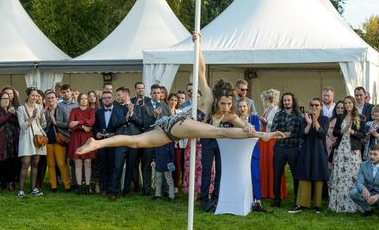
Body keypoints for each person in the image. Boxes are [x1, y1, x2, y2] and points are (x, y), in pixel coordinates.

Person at [76, 35, 284, 205]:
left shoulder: (230, 114)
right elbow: (201, 71)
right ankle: (263, 136)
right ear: (217, 99)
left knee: (136, 141)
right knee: (219, 132)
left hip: (169, 131)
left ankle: (97, 143)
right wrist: (198, 45)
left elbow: (243, 125)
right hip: (183, 123)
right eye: (223, 104)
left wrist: (254, 131)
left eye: (229, 105)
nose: (226, 108)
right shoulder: (210, 98)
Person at [328, 96, 365, 213]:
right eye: (346, 103)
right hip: (340, 150)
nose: (347, 105)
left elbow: (363, 134)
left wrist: (352, 131)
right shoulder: (340, 117)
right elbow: (334, 132)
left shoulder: (361, 117)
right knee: (339, 176)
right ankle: (339, 204)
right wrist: (342, 131)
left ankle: (354, 205)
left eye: (349, 103)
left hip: (353, 151)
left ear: (353, 104)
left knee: (353, 175)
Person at [293, 98, 329, 213]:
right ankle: (301, 203)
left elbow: (322, 134)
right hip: (307, 150)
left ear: (321, 107)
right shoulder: (305, 118)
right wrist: (309, 123)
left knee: (318, 175)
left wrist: (315, 120)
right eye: (312, 104)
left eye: (317, 105)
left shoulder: (325, 119)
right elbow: (302, 135)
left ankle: (317, 205)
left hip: (319, 150)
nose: (314, 107)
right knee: (304, 173)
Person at [271, 92, 304, 211]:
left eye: (288, 100)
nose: (286, 102)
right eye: (284, 100)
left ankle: (297, 200)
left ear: (293, 101)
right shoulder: (278, 115)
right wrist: (281, 134)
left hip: (293, 149)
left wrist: (293, 135)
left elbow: (302, 133)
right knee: (277, 174)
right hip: (279, 148)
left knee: (296, 175)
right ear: (282, 102)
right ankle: (276, 200)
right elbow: (273, 130)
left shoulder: (299, 116)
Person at [17, 87, 47, 197]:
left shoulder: (39, 107)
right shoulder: (21, 108)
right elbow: (22, 126)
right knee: (25, 164)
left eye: (36, 96)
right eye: (33, 95)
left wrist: (42, 115)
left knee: (35, 164)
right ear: (28, 96)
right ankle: (21, 190)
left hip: (38, 138)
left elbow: (43, 125)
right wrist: (33, 116)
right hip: (26, 138)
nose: (35, 97)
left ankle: (33, 188)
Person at [259, 88, 287, 201]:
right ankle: (265, 190)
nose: (263, 101)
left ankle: (273, 191)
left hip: (272, 140)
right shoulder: (266, 110)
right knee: (264, 164)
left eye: (264, 99)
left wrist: (266, 122)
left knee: (272, 164)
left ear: (268, 99)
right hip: (264, 139)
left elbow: (278, 125)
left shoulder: (277, 110)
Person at [349, 146, 379, 217]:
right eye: (370, 154)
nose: (372, 156)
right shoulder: (363, 165)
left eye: (375, 154)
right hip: (368, 193)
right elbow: (359, 182)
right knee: (353, 193)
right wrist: (363, 189)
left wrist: (378, 196)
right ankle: (368, 209)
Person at [0, 91, 19, 193]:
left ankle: (10, 183)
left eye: (8, 99)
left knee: (11, 164)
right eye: (4, 98)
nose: (6, 100)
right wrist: (9, 115)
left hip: (11, 143)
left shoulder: (10, 111)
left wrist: (13, 115)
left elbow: (17, 122)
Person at [237, 99, 264, 212]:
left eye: (244, 106)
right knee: (241, 176)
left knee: (255, 176)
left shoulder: (254, 119)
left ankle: (257, 200)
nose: (242, 109)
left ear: (248, 107)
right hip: (240, 152)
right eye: (240, 107)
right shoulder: (235, 120)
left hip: (253, 151)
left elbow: (255, 133)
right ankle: (242, 198)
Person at [43, 91, 72, 193]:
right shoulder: (44, 111)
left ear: (56, 98)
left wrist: (55, 121)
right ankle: (53, 185)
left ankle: (67, 185)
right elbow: (42, 127)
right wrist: (50, 120)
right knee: (50, 164)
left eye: (52, 98)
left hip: (59, 140)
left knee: (61, 163)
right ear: (46, 100)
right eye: (48, 98)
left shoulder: (62, 109)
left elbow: (68, 124)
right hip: (48, 140)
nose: (50, 100)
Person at [68, 92, 96, 194]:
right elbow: (70, 124)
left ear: (88, 100)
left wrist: (78, 122)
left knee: (88, 162)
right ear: (78, 100)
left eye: (85, 98)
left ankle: (88, 186)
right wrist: (82, 126)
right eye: (82, 98)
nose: (84, 100)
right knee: (78, 163)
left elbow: (91, 122)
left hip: (87, 137)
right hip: (76, 137)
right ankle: (79, 187)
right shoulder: (74, 110)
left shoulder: (91, 110)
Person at [92, 90, 117, 195]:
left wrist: (115, 133)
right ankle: (104, 188)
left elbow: (120, 125)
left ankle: (113, 188)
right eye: (105, 98)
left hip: (113, 142)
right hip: (101, 142)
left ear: (112, 99)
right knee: (103, 165)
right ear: (102, 100)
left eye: (109, 97)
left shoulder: (117, 111)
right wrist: (97, 133)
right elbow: (95, 126)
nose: (107, 99)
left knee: (113, 165)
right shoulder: (98, 112)